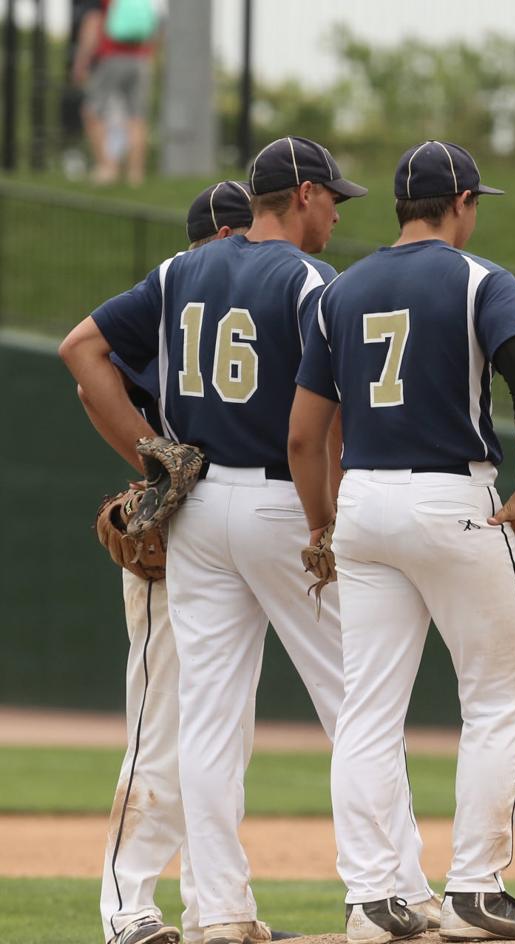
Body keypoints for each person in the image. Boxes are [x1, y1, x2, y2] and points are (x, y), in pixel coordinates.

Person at [60, 136, 439, 944]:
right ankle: (392, 890)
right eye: (331, 195)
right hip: (280, 502)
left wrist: (148, 456)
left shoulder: (180, 272)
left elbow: (79, 349)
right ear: (299, 194)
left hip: (195, 510)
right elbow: (323, 418)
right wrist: (324, 519)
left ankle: (218, 910)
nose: (337, 209)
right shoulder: (308, 281)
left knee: (206, 719)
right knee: (358, 703)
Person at [287, 140, 515, 943]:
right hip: (454, 496)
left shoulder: (341, 291)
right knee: (498, 696)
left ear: (400, 207)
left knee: (368, 712)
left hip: (365, 498)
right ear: (464, 204)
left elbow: (306, 436)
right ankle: (476, 886)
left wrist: (322, 519)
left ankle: (373, 901)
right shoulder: (481, 279)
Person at [81, 180, 253, 944]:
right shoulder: (173, 287)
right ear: (221, 237)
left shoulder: (249, 298)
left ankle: (213, 905)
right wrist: (154, 464)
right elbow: (86, 362)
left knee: (221, 728)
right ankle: (127, 908)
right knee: (164, 722)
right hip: (175, 529)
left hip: (234, 530)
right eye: (245, 235)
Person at [71, 0, 158, 186]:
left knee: (92, 112)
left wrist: (81, 62)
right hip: (141, 59)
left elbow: (92, 26)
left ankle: (107, 168)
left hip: (111, 57)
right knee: (137, 117)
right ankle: (136, 174)